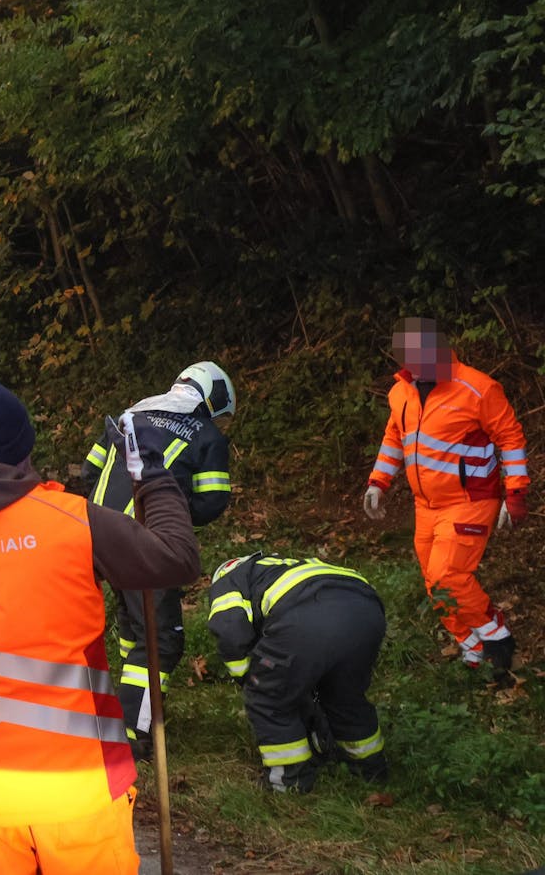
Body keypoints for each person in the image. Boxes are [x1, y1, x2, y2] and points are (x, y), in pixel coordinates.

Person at [0, 377, 201, 873]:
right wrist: (154, 477)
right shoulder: (73, 524)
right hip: (83, 791)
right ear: (23, 445)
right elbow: (176, 559)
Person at [83, 360, 235, 758]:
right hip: (146, 542)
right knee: (161, 640)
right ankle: (133, 731)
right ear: (214, 399)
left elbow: (88, 470)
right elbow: (211, 501)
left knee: (135, 631)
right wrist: (176, 518)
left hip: (92, 533)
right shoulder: (207, 434)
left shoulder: (129, 414)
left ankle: (132, 706)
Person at [364, 317, 528, 684]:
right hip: (427, 505)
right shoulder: (401, 393)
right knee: (433, 581)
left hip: (471, 499)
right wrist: (379, 481)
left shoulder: (478, 389)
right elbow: (395, 437)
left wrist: (515, 492)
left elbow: (510, 438)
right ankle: (470, 648)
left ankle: (497, 640)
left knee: (448, 576)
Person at [207, 553, 387, 793]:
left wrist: (250, 678)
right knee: (345, 696)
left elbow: (230, 632)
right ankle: (370, 769)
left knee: (269, 698)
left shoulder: (227, 580)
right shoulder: (282, 567)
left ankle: (289, 781)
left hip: (307, 615)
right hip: (366, 610)